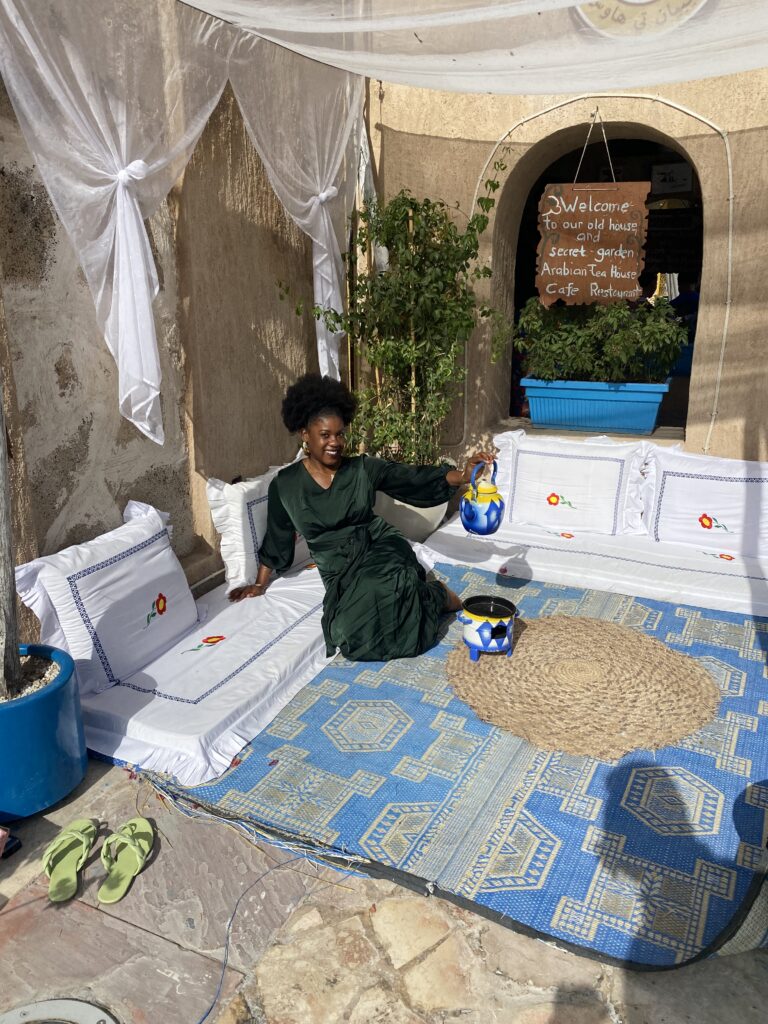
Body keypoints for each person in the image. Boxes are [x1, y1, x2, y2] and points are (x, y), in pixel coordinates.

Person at [230, 373, 493, 661]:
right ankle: (434, 593)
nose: (335, 442)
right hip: (339, 569)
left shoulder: (362, 469)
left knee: (389, 588)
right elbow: (278, 537)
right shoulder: (286, 485)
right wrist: (259, 583)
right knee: (350, 634)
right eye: (325, 435)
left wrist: (464, 476)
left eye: (340, 433)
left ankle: (435, 596)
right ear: (305, 434)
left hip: (381, 546)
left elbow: (412, 478)